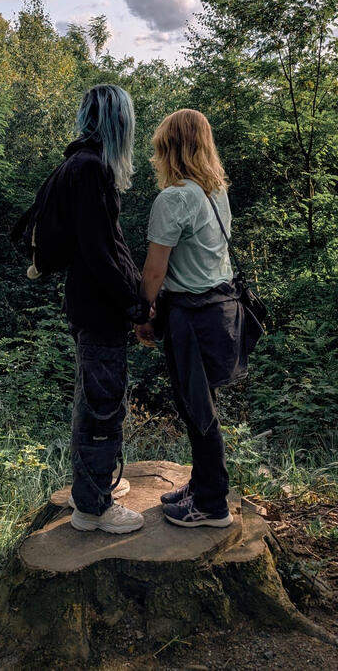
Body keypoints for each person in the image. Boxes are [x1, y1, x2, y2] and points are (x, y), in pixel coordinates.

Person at [135, 109, 247, 528]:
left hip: (190, 314)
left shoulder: (175, 198)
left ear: (168, 149)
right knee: (201, 404)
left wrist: (143, 313)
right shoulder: (215, 191)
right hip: (220, 308)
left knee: (197, 408)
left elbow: (154, 271)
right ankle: (202, 485)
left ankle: (212, 504)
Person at [59, 84, 148, 534]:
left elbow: (108, 244)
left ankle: (93, 489)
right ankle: (93, 509)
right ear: (118, 120)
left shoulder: (81, 161)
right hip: (98, 307)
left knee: (93, 399)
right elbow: (100, 254)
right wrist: (135, 303)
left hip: (88, 304)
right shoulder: (91, 168)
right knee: (102, 407)